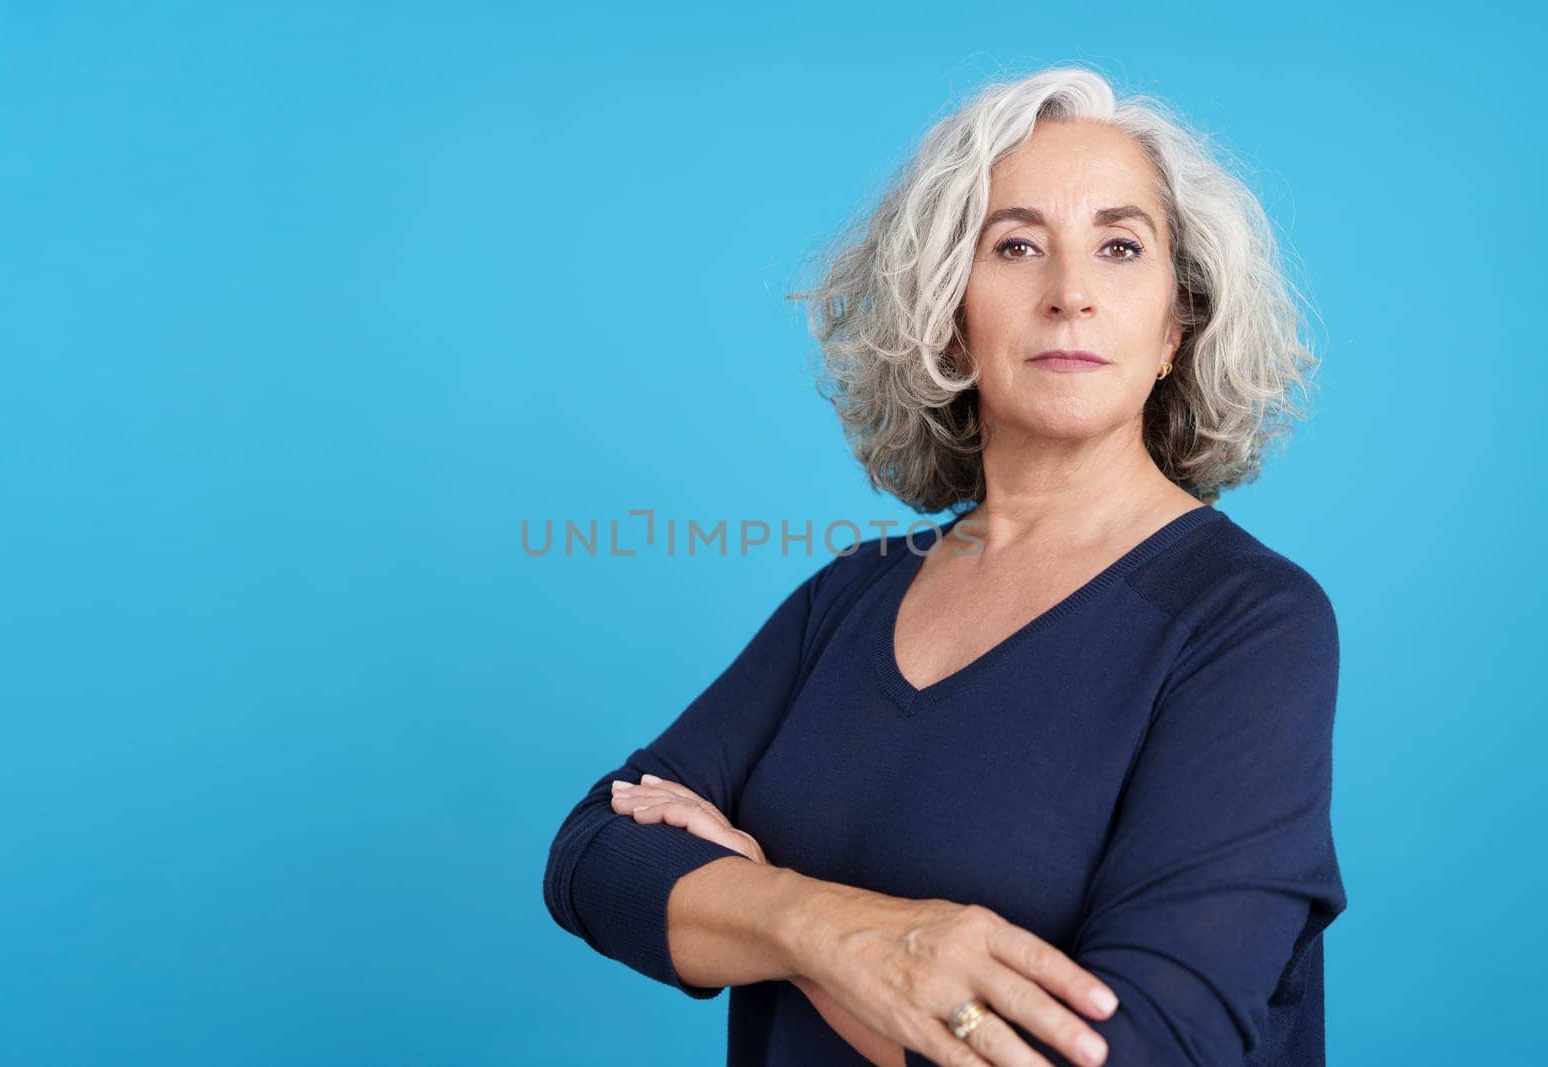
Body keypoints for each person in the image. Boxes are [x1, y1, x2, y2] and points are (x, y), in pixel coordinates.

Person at [542, 65, 1346, 1067]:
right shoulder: (853, 594)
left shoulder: (1245, 620)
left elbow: (1141, 1049)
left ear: (1176, 325)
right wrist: (821, 928)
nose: (1068, 295)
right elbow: (595, 850)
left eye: (1118, 246)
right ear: (949, 316)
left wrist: (768, 923)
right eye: (1014, 246)